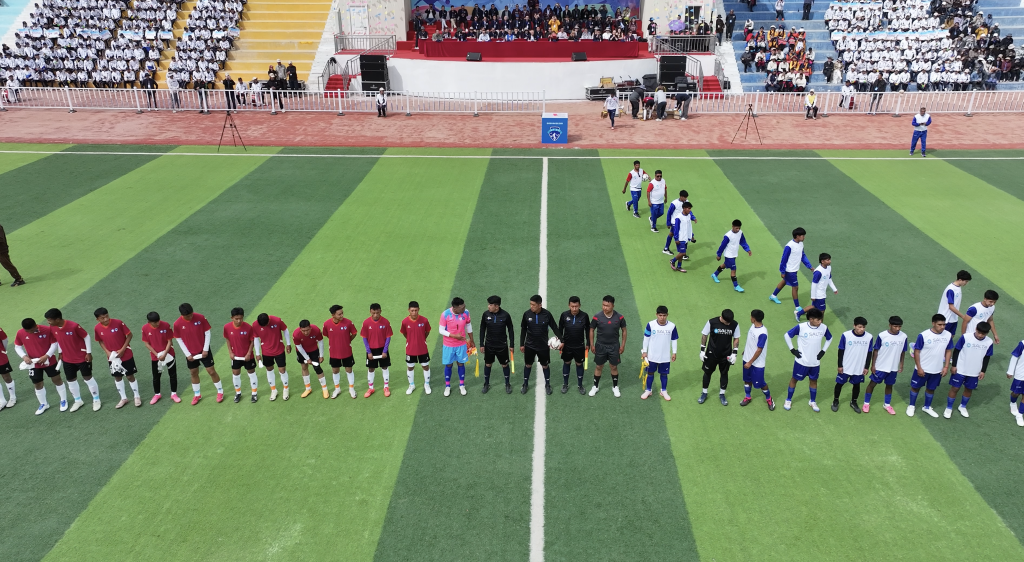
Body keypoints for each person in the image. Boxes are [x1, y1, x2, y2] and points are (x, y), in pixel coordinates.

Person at [44, 308, 100, 412]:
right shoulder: (53, 327)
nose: (48, 322)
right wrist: (60, 352)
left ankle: (96, 399)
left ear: (57, 319)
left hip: (81, 357)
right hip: (67, 359)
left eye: (49, 320)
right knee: (70, 380)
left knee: (87, 378)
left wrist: (88, 352)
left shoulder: (73, 326)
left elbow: (86, 336)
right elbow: (59, 340)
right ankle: (78, 400)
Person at [173, 303, 225, 405]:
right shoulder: (177, 324)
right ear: (182, 315)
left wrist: (205, 349)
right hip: (190, 353)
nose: (190, 317)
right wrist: (187, 354)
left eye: (191, 315)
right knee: (193, 372)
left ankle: (220, 392)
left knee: (211, 371)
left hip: (204, 350)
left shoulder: (200, 317)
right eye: (188, 316)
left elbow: (207, 333)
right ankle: (197, 394)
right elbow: (179, 339)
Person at [14, 318, 68, 415]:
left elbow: (54, 343)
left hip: (49, 361)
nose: (29, 333)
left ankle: (63, 400)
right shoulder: (20, 332)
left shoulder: (46, 330)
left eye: (31, 330)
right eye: (27, 331)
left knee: (57, 380)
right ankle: (43, 404)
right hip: (33, 364)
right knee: (37, 384)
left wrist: (47, 355)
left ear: (35, 325)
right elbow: (17, 346)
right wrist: (24, 356)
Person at [783, 308, 832, 412]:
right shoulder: (801, 327)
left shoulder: (823, 328)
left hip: (815, 362)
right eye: (818, 320)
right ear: (811, 319)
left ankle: (812, 401)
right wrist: (792, 350)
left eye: (821, 319)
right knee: (794, 379)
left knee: (813, 381)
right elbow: (787, 335)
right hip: (801, 361)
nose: (820, 322)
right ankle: (788, 400)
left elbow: (829, 338)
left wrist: (823, 351)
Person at [907, 314, 954, 418]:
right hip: (923, 368)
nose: (942, 327)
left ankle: (927, 407)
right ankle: (911, 406)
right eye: (939, 324)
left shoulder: (948, 335)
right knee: (916, 387)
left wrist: (946, 367)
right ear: (933, 323)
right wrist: (919, 367)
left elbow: (948, 350)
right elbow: (917, 352)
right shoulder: (923, 335)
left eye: (944, 325)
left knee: (931, 388)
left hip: (937, 369)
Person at [93, 308, 141, 409]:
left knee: (130, 376)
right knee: (117, 377)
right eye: (103, 318)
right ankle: (123, 398)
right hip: (112, 357)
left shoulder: (118, 323)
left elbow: (129, 335)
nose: (106, 319)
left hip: (126, 354)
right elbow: (100, 341)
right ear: (97, 319)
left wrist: (123, 349)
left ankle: (137, 396)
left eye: (107, 316)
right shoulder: (97, 328)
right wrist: (107, 352)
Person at [944, 322, 993, 419]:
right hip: (960, 369)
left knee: (969, 389)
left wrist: (983, 371)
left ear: (987, 333)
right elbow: (956, 351)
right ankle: (949, 408)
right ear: (976, 329)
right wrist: (954, 365)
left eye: (983, 334)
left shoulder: (989, 342)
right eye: (979, 332)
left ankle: (962, 406)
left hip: (974, 371)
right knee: (955, 388)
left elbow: (987, 357)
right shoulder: (966, 337)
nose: (980, 335)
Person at [863, 316, 908, 415]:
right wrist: (873, 365)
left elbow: (903, 351)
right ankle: (866, 403)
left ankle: (887, 404)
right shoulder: (882, 335)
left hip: (893, 367)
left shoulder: (904, 336)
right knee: (872, 384)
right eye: (895, 326)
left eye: (899, 326)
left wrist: (901, 364)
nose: (898, 328)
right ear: (890, 325)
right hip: (880, 366)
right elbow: (876, 350)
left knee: (889, 385)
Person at [521, 295, 561, 395]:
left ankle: (547, 385)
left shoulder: (547, 314)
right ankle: (525, 384)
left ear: (540, 305)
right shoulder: (526, 314)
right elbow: (523, 330)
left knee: (545, 365)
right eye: (530, 304)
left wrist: (562, 340)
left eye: (533, 305)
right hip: (529, 345)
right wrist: (522, 344)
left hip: (543, 346)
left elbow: (554, 328)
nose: (531, 306)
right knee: (528, 365)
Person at [699, 308, 740, 405]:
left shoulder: (734, 324)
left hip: (726, 355)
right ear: (722, 318)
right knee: (707, 373)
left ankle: (722, 394)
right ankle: (704, 393)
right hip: (711, 353)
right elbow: (704, 335)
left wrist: (734, 353)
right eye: (727, 322)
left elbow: (736, 338)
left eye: (730, 322)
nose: (729, 324)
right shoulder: (712, 322)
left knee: (724, 373)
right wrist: (702, 350)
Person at [588, 295, 626, 397]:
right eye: (603, 305)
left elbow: (624, 330)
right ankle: (595, 386)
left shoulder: (620, 317)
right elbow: (591, 330)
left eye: (607, 306)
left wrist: (622, 345)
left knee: (613, 366)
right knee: (599, 366)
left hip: (614, 346)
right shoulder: (597, 317)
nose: (605, 307)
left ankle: (615, 387)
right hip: (600, 346)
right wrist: (592, 344)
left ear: (613, 306)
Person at [832, 317, 872, 412]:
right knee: (839, 384)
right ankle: (835, 401)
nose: (862, 329)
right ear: (854, 326)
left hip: (859, 367)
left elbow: (869, 353)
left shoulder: (869, 337)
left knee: (857, 385)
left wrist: (866, 367)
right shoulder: (846, 335)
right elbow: (841, 351)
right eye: (859, 327)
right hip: (846, 366)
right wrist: (840, 365)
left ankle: (853, 402)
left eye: (863, 327)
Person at [438, 297, 474, 396]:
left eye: (464, 306)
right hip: (449, 345)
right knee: (449, 365)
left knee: (461, 363)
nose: (464, 308)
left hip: (461, 345)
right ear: (455, 308)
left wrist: (472, 340)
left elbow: (468, 325)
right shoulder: (445, 314)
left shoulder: (466, 312)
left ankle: (462, 385)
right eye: (462, 307)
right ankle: (447, 386)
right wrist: (454, 336)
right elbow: (441, 330)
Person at [770, 227, 813, 308]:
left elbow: (803, 256)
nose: (804, 237)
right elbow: (784, 259)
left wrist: (809, 266)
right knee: (795, 287)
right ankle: (797, 307)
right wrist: (782, 271)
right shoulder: (789, 246)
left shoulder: (801, 244)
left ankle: (773, 295)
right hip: (790, 270)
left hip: (794, 269)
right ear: (797, 236)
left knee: (784, 281)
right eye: (802, 235)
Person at [480, 295, 515, 394]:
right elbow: (482, 329)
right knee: (488, 364)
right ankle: (486, 384)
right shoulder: (485, 314)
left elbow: (511, 330)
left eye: (490, 305)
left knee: (504, 364)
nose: (488, 306)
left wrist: (512, 345)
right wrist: (481, 344)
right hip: (489, 345)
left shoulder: (505, 315)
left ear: (496, 306)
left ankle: (507, 384)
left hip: (502, 345)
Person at [740, 309, 774, 410]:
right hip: (747, 358)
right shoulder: (753, 326)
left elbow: (759, 350)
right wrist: (746, 351)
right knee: (747, 380)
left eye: (751, 316)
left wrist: (750, 362)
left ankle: (769, 399)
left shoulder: (762, 333)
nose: (750, 318)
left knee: (761, 383)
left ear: (754, 319)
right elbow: (751, 341)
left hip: (757, 363)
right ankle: (748, 397)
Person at [641, 306, 677, 400]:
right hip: (652, 356)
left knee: (664, 374)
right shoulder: (650, 325)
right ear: (656, 315)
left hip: (665, 357)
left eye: (664, 315)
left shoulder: (672, 326)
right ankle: (648, 390)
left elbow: (674, 340)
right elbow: (646, 338)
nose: (662, 317)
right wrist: (644, 351)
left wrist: (674, 352)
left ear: (667, 315)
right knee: (650, 373)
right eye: (660, 315)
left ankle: (663, 391)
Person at [253, 313, 292, 401]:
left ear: (269, 320)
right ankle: (273, 390)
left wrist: (288, 344)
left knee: (282, 370)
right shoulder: (255, 325)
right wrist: (258, 353)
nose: (265, 327)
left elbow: (285, 330)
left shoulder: (277, 320)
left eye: (266, 324)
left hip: (279, 350)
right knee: (269, 369)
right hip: (266, 352)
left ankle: (286, 389)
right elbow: (256, 338)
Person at [141, 312, 178, 405]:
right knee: (156, 376)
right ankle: (157, 394)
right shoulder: (145, 328)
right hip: (155, 356)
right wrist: (157, 355)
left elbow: (169, 341)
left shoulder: (166, 325)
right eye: (155, 322)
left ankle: (174, 394)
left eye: (158, 321)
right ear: (149, 322)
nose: (158, 323)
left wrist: (164, 354)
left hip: (169, 355)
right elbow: (146, 344)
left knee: (172, 375)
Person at [223, 308, 259, 403]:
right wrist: (230, 352)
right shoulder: (227, 327)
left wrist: (249, 353)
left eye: (241, 318)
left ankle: (254, 393)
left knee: (251, 373)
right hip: (236, 357)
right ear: (232, 318)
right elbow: (227, 339)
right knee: (235, 374)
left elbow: (252, 341)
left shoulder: (248, 327)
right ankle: (238, 393)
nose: (239, 321)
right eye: (236, 319)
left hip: (248, 357)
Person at [323, 304, 359, 398]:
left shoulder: (348, 323)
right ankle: (337, 389)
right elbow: (326, 334)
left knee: (349, 370)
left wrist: (347, 340)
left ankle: (351, 389)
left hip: (347, 351)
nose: (342, 315)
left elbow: (354, 333)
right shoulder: (326, 324)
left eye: (342, 313)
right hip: (334, 352)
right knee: (335, 370)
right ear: (333, 315)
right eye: (339, 314)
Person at [558, 296, 591, 394]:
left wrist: (588, 343)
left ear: (579, 305)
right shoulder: (564, 315)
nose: (574, 309)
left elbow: (588, 331)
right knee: (566, 363)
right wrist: (560, 341)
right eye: (572, 306)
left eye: (576, 306)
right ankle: (565, 384)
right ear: (569, 305)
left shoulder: (584, 316)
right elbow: (560, 329)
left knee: (579, 364)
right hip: (567, 346)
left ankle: (580, 385)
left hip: (579, 346)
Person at [360, 303, 394, 398]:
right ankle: (371, 388)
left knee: (384, 367)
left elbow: (388, 337)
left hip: (382, 349)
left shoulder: (385, 322)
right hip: (371, 350)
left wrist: (385, 351)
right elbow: (364, 338)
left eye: (377, 313)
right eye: (373, 313)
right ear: (370, 312)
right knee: (371, 368)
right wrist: (369, 352)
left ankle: (386, 387)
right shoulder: (366, 323)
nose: (375, 315)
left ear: (380, 311)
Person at [400, 301, 432, 395]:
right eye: (412, 310)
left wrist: (422, 339)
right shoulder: (405, 322)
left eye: (416, 310)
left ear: (419, 310)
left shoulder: (424, 320)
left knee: (425, 366)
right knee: (410, 367)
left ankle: (427, 384)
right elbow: (404, 333)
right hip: (410, 349)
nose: (414, 313)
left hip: (422, 348)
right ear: (409, 310)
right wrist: (410, 340)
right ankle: (411, 385)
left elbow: (427, 331)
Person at [713, 219, 752, 292]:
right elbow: (722, 245)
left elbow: (743, 242)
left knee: (725, 265)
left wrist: (747, 249)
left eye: (739, 228)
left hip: (734, 254)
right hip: (729, 255)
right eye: (736, 228)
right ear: (732, 226)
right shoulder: (728, 236)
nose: (738, 230)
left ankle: (715, 274)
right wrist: (719, 254)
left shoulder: (740, 232)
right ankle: (736, 286)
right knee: (733, 269)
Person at [796, 252, 837, 321]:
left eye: (829, 259)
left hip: (822, 292)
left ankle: (798, 313)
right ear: (822, 261)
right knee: (822, 311)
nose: (830, 261)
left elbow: (829, 279)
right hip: (819, 294)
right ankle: (819, 324)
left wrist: (834, 289)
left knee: (813, 306)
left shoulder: (829, 268)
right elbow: (814, 284)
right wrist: (813, 296)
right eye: (827, 260)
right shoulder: (818, 272)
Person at [294, 319, 329, 399]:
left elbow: (320, 342)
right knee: (304, 367)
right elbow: (299, 347)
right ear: (300, 329)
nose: (306, 333)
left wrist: (321, 355)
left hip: (313, 350)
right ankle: (308, 388)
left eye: (307, 330)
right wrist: (307, 358)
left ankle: (324, 389)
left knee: (317, 368)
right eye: (303, 331)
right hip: (302, 351)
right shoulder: (296, 334)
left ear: (310, 328)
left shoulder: (316, 330)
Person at [937, 270, 972, 336]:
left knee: (951, 336)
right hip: (946, 318)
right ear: (960, 280)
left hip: (953, 318)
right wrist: (963, 316)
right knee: (941, 337)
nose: (966, 283)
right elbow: (951, 307)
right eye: (966, 281)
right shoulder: (951, 289)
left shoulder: (958, 287)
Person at [663, 190, 696, 254]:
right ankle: (682, 253)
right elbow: (669, 213)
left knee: (672, 234)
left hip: (683, 221)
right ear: (681, 196)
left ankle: (666, 248)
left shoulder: (686, 201)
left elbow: (689, 212)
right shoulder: (674, 203)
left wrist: (693, 218)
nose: (686, 199)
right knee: (679, 235)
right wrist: (668, 223)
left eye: (686, 197)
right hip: (675, 222)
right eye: (685, 197)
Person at [669, 202, 694, 272]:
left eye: (690, 208)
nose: (690, 210)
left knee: (681, 253)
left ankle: (679, 266)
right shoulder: (678, 217)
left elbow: (689, 227)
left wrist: (691, 236)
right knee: (683, 253)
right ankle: (673, 261)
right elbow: (676, 229)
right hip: (680, 238)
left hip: (685, 238)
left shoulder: (688, 216)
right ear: (684, 208)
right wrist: (676, 238)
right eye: (688, 208)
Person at [1008, 339, 1024, 426]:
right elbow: (1015, 356)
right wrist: (1010, 371)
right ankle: (1013, 403)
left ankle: (1020, 414)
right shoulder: (1023, 343)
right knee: (1015, 393)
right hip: (1021, 374)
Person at [0, 325, 15, 409]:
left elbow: (5, 339)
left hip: (1, 357)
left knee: (6, 377)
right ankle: (2, 400)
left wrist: (3, 349)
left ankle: (13, 397)